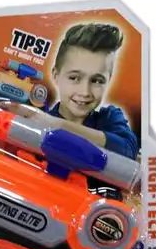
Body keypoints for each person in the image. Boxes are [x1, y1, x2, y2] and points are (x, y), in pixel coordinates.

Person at [44, 23, 138, 160]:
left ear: (109, 80)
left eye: (97, 81)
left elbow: (129, 149)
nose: (85, 92)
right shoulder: (40, 121)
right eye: (74, 78)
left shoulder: (109, 118)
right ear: (55, 75)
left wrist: (59, 125)